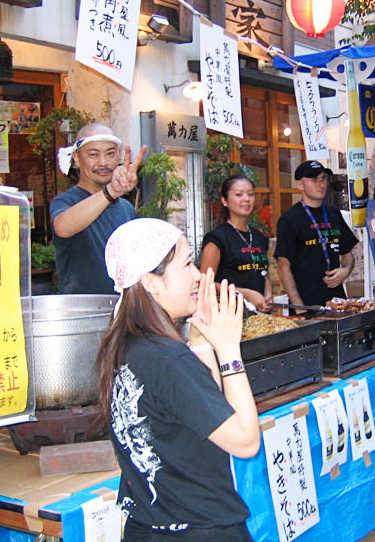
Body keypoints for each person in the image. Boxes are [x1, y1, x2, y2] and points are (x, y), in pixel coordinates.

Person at [96, 218, 260, 541]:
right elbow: (245, 440)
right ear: (151, 282)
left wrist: (201, 339)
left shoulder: (126, 345)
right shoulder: (167, 358)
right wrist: (229, 351)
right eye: (186, 264)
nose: (198, 274)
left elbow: (206, 414)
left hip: (147, 528)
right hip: (199, 530)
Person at [50, 122, 147, 294]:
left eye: (110, 154)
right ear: (77, 159)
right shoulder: (66, 201)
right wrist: (111, 192)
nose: (103, 163)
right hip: (82, 312)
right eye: (93, 154)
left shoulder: (126, 208)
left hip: (121, 310)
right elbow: (62, 227)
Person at [275, 160, 358, 308]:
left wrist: (345, 271)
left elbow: (347, 255)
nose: (321, 184)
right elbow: (283, 267)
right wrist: (300, 308)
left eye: (323, 178)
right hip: (307, 303)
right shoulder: (290, 219)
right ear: (300, 185)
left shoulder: (334, 213)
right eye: (314, 180)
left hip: (337, 302)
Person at [200, 175, 272, 312]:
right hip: (229, 316)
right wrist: (246, 294)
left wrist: (267, 294)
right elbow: (205, 283)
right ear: (224, 201)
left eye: (250, 194)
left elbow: (262, 270)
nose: (246, 199)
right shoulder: (217, 238)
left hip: (260, 318)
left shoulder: (259, 236)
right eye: (239, 195)